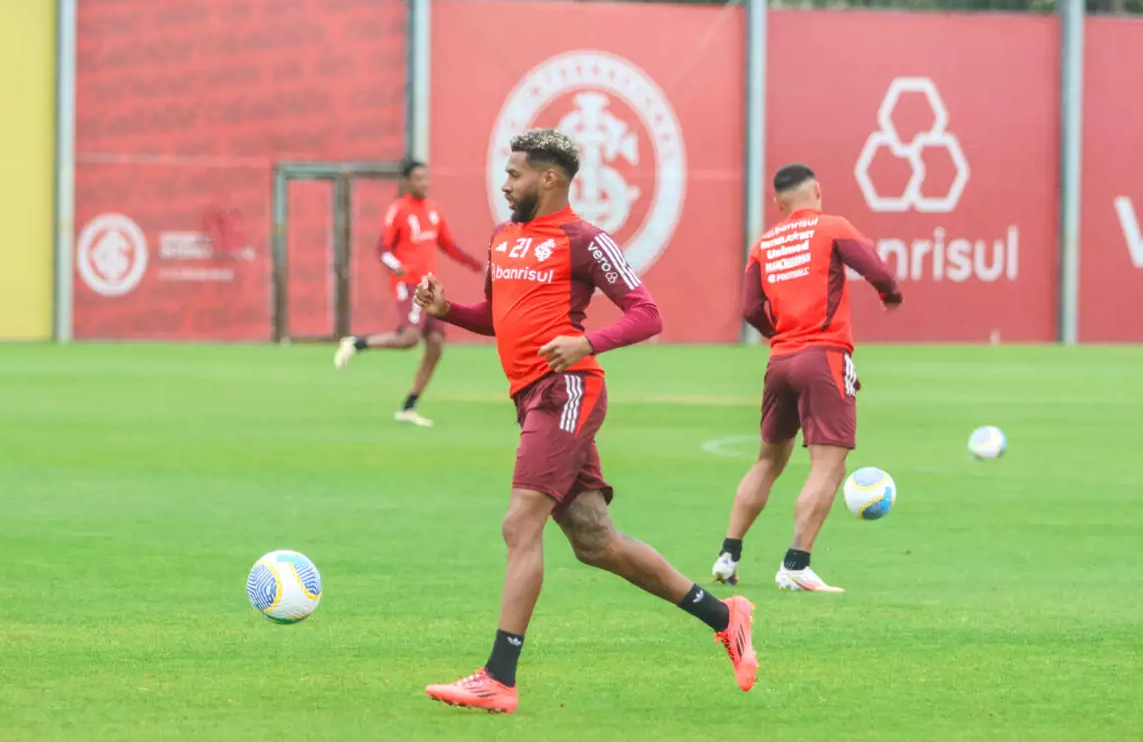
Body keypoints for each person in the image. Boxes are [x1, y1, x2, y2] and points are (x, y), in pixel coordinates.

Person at [413, 129, 758, 714]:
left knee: (520, 523)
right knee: (596, 542)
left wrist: (585, 343)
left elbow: (648, 314)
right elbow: (500, 319)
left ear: (549, 178)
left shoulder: (585, 240)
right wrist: (448, 311)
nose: (505, 183)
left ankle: (498, 677)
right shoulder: (505, 238)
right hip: (532, 397)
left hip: (568, 391)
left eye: (515, 173)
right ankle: (726, 617)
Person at [711, 164, 903, 593]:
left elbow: (749, 309)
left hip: (780, 360)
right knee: (829, 465)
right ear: (817, 190)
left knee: (767, 461)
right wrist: (891, 294)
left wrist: (779, 334)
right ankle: (796, 564)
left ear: (778, 202)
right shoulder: (832, 228)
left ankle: (728, 555)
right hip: (825, 356)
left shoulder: (763, 245)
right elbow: (877, 269)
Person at [333, 159, 483, 427]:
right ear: (406, 182)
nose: (424, 183)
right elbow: (382, 247)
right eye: (418, 178)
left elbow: (448, 246)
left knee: (436, 345)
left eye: (426, 178)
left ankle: (408, 407)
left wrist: (476, 265)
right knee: (410, 337)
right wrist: (396, 267)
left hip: (428, 287)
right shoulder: (399, 210)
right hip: (409, 284)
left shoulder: (434, 211)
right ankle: (356, 343)